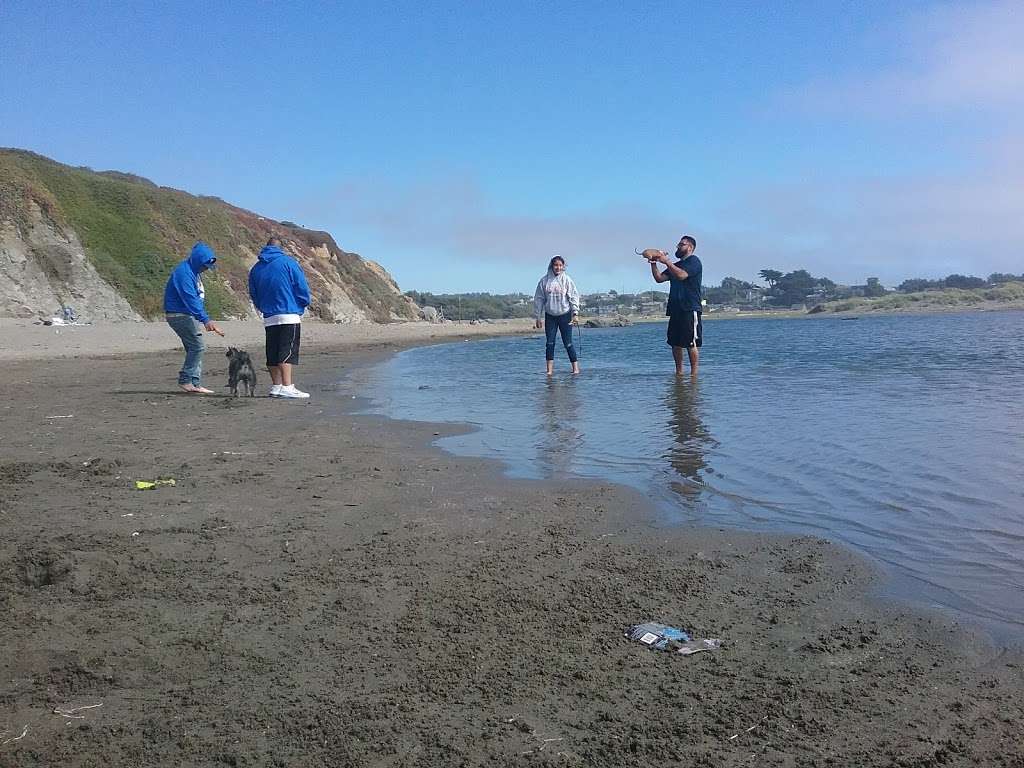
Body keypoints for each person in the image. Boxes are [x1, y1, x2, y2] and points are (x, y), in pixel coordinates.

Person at [248, 237, 311, 399]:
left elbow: (253, 293)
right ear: (281, 248)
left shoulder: (256, 268)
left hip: (269, 315)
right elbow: (301, 286)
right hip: (288, 312)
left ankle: (276, 386)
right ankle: (287, 386)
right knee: (287, 351)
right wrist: (303, 303)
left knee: (273, 351)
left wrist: (262, 306)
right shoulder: (288, 262)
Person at [163, 241, 224, 394]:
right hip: (179, 315)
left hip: (186, 315)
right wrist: (205, 319)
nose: (205, 269)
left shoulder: (193, 272)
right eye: (204, 266)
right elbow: (189, 298)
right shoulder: (184, 272)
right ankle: (186, 380)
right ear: (198, 260)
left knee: (195, 348)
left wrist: (203, 318)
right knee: (197, 347)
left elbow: (195, 299)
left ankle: (195, 383)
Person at [647, 235, 703, 376]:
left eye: (681, 244)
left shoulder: (694, 262)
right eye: (678, 244)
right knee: (675, 343)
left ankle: (694, 375)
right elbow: (659, 279)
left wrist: (667, 262)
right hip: (675, 308)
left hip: (690, 308)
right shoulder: (676, 265)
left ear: (690, 247)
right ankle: (679, 373)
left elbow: (682, 276)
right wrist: (654, 263)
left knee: (691, 343)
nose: (678, 247)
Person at [533, 255, 581, 375]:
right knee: (550, 343)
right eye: (556, 265)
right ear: (552, 266)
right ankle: (549, 371)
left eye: (560, 265)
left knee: (568, 343)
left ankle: (575, 369)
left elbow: (574, 297)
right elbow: (539, 299)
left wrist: (575, 313)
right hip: (550, 316)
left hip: (565, 315)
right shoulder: (544, 281)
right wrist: (538, 317)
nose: (558, 267)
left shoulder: (567, 280)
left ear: (563, 267)